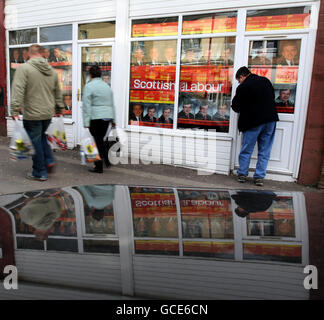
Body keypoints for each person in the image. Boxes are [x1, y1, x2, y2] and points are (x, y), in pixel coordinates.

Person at [10, 44, 64, 181]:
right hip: (47, 113)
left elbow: (18, 90)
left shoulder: (24, 69)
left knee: (35, 142)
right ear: (42, 54)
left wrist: (14, 109)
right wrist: (59, 108)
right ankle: (49, 160)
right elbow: (58, 92)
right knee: (41, 137)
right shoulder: (51, 71)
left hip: (32, 113)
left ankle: (39, 172)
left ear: (29, 53)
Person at [231, 66, 279, 186]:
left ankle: (242, 174)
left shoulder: (243, 86)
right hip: (270, 120)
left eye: (238, 80)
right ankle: (259, 177)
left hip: (252, 121)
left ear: (242, 76)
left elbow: (236, 107)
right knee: (265, 150)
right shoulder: (266, 81)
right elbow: (272, 97)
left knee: (247, 148)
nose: (239, 82)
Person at [82, 65, 116, 173]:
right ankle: (106, 160)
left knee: (96, 141)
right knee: (101, 139)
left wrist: (86, 121)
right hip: (107, 117)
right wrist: (114, 119)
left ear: (90, 75)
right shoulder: (107, 86)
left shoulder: (89, 86)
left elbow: (86, 105)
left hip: (95, 117)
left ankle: (98, 166)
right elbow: (112, 104)